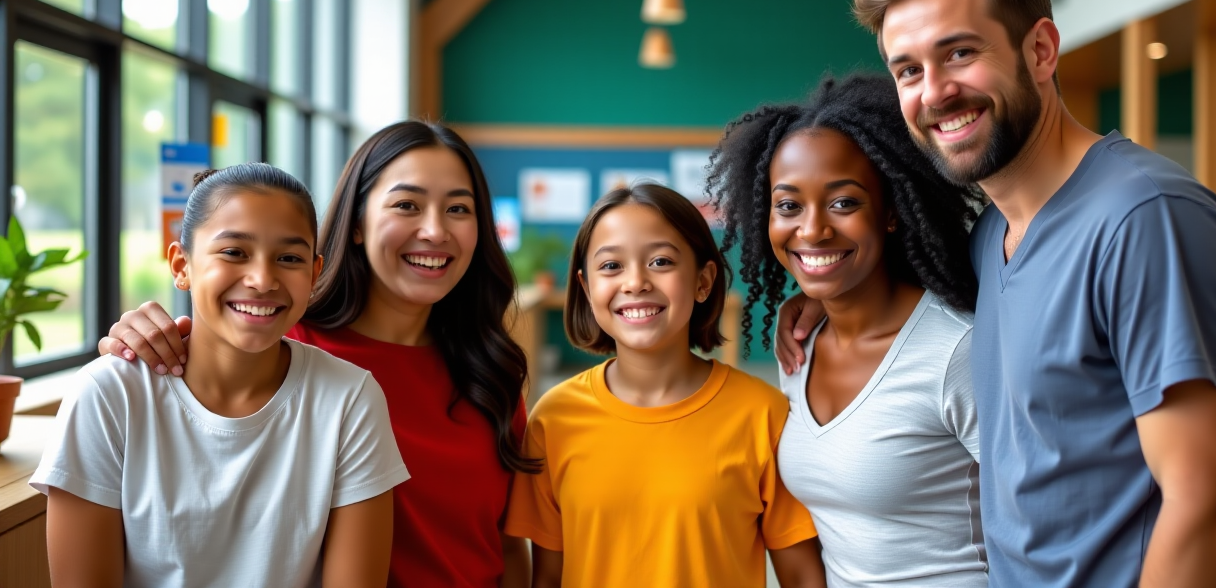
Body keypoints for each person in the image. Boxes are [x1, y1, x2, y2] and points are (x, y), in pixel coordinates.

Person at [773, 0, 1216, 587]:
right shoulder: (994, 236)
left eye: (960, 53)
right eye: (909, 70)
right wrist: (825, 295)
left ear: (1040, 50)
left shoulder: (1145, 217)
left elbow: (1212, 502)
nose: (936, 92)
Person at [98, 121, 536, 588]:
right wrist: (132, 341)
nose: (434, 230)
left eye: (458, 209)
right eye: (407, 205)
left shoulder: (491, 371)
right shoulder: (282, 348)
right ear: (357, 225)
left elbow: (508, 547)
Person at [34, 164, 409, 587]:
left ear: (314, 273)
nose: (263, 279)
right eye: (234, 252)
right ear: (181, 264)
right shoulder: (109, 395)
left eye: (289, 258)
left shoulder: (348, 398)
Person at [706, 72, 988, 587]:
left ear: (891, 214)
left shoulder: (956, 352)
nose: (812, 229)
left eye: (843, 202)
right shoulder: (800, 347)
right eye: (788, 205)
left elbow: (1045, 517)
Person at [503, 184, 825, 588]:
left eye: (660, 261)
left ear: (703, 281)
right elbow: (548, 576)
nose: (635, 282)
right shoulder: (554, 418)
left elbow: (801, 575)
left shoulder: (763, 414)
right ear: (586, 290)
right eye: (611, 266)